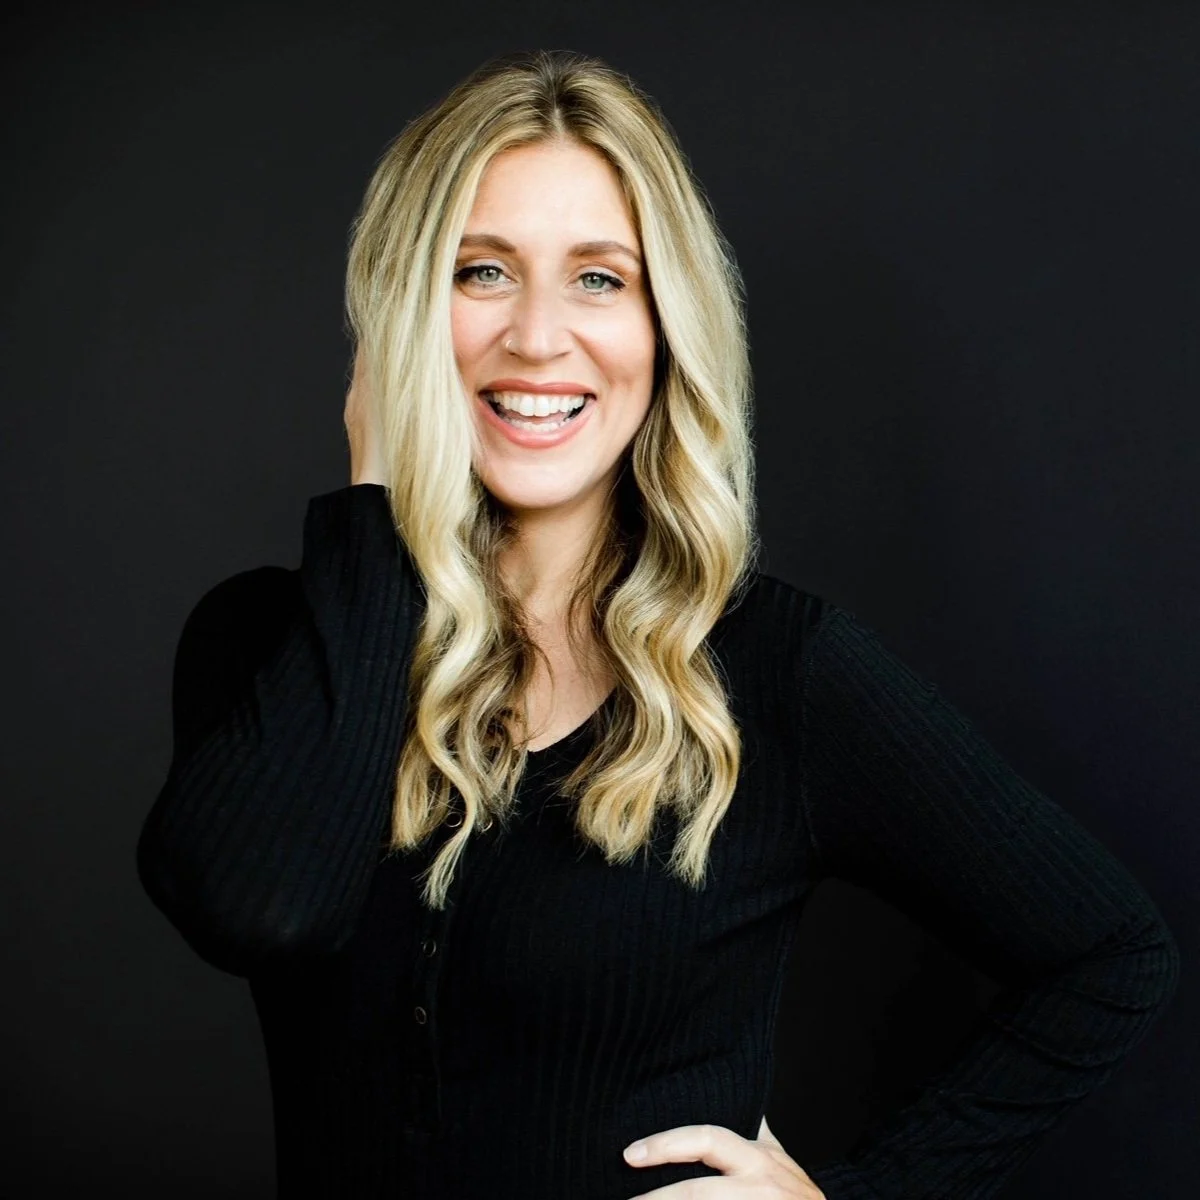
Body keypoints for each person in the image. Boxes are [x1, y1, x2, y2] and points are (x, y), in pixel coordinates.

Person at [136, 49, 1180, 1200]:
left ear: (666, 325)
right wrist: (375, 499)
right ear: (400, 314)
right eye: (480, 271)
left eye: (599, 278)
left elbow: (1110, 955)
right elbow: (265, 911)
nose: (538, 337)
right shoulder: (265, 644)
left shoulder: (780, 672)